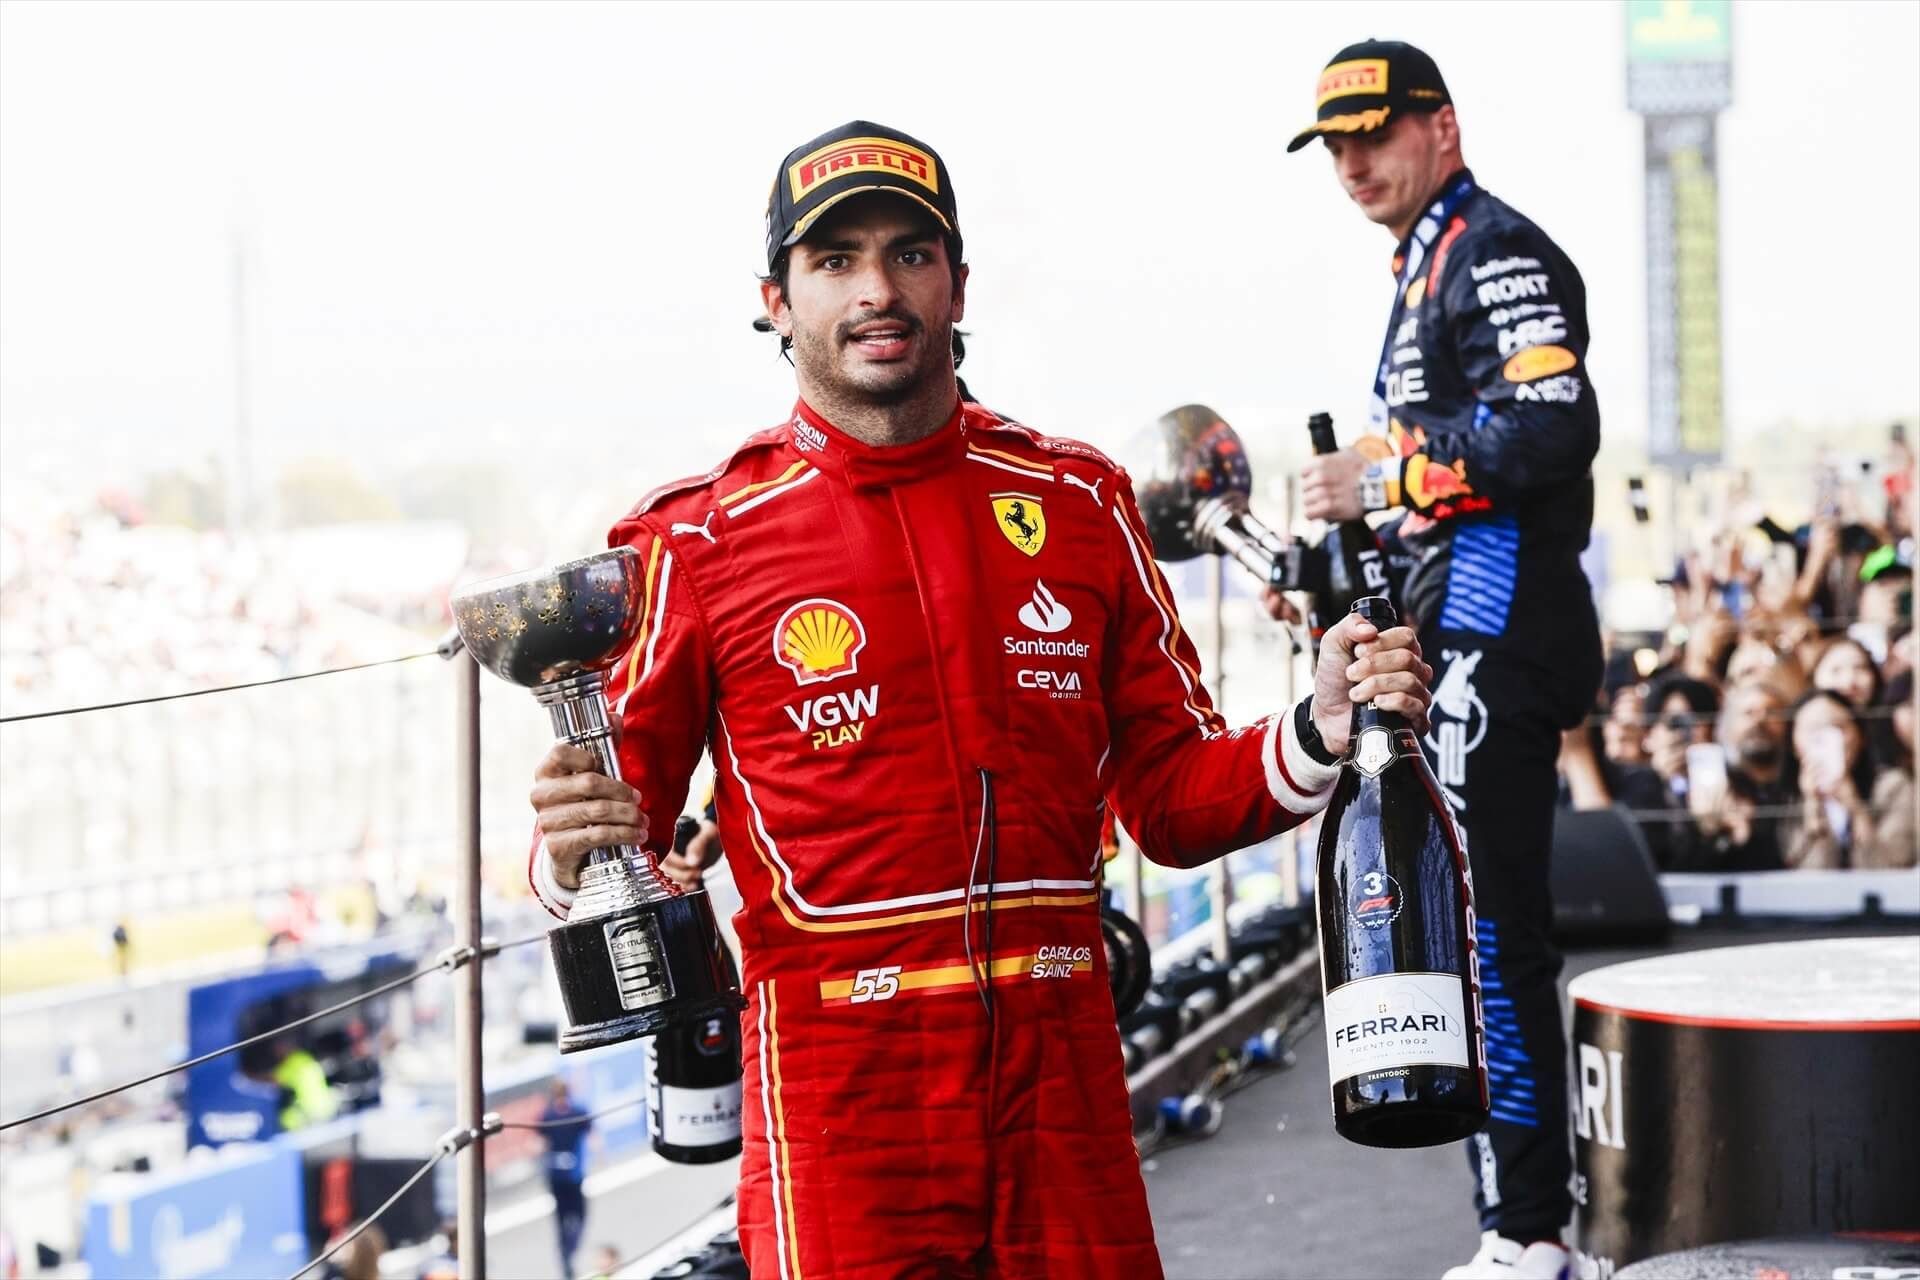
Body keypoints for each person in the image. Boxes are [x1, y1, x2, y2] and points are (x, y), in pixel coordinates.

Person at [526, 120, 1435, 1280]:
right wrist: (567, 849)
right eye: (836, 259)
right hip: (843, 1107)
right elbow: (619, 847)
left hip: (1065, 1087)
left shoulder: (1079, 500)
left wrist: (1320, 729)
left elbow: (1166, 798)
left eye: (911, 253)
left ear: (958, 281)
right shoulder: (692, 540)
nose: (877, 290)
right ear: (775, 298)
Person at [1279, 39, 1603, 1279]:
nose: (1356, 160)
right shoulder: (1424, 262)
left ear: (1442, 128)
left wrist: (1386, 471)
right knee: (1470, 928)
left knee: (1491, 929)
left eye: (1377, 131)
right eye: (1337, 144)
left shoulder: (1496, 249)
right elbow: (1433, 493)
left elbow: (1555, 424)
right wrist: (1324, 564)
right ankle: (1513, 1226)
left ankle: (1534, 1230)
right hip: (1452, 630)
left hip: (1500, 634)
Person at [1782, 689, 1915, 869]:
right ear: (1794, 745)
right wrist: (1813, 807)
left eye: (1837, 728)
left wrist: (1855, 808)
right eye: (1814, 730)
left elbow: (1892, 872)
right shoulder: (1788, 799)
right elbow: (1807, 880)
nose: (1826, 740)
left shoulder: (1893, 786)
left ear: (1860, 736)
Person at [539, 1080, 594, 1280]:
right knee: (579, 1214)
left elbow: (542, 1140)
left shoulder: (548, 1114)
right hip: (572, 1175)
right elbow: (591, 1133)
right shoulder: (577, 1111)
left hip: (555, 1174)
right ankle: (570, 1251)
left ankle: (565, 1253)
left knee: (562, 1218)